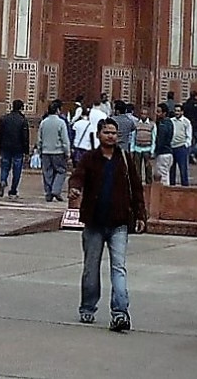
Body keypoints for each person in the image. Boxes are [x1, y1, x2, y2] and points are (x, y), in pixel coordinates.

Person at [69, 115, 146, 331]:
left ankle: (120, 312)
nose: (111, 136)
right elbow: (78, 176)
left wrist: (140, 214)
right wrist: (75, 189)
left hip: (119, 222)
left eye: (114, 133)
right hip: (94, 222)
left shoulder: (124, 158)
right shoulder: (90, 158)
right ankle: (87, 307)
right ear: (99, 135)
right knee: (91, 268)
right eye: (107, 132)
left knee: (118, 268)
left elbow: (136, 188)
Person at [0, 98, 30, 200]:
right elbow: (25, 137)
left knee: (5, 166)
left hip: (5, 146)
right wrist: (26, 151)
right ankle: (13, 190)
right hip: (18, 148)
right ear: (21, 108)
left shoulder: (4, 118)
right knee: (17, 170)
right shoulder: (23, 120)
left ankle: (3, 180)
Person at [38, 98, 72, 202]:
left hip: (46, 151)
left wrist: (39, 150)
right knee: (61, 171)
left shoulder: (43, 122)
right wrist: (68, 152)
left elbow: (39, 138)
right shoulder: (61, 123)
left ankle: (48, 192)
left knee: (47, 172)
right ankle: (56, 190)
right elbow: (65, 139)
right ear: (57, 110)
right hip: (58, 151)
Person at [129, 104, 157, 184]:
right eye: (142, 114)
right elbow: (133, 137)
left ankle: (149, 185)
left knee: (148, 168)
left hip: (147, 149)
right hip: (138, 149)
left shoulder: (152, 125)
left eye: (145, 114)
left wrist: (152, 150)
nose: (143, 115)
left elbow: (153, 138)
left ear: (148, 115)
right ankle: (138, 185)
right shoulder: (136, 124)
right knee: (137, 169)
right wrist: (132, 149)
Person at [170, 104, 195, 186]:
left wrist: (186, 145)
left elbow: (189, 135)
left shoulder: (186, 122)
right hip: (172, 147)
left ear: (182, 112)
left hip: (181, 147)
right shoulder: (171, 121)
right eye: (175, 111)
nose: (176, 112)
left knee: (183, 168)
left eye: (178, 111)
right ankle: (171, 186)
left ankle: (185, 186)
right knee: (171, 169)